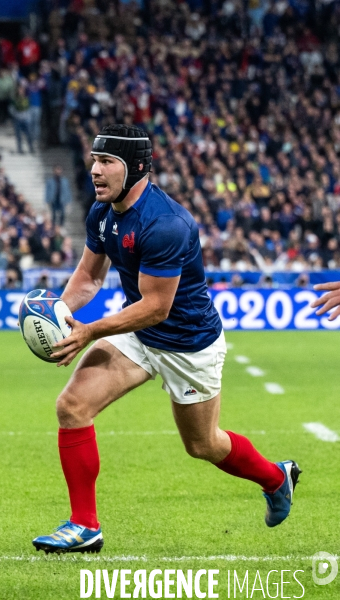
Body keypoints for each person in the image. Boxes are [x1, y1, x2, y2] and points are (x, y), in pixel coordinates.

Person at [32, 125, 301, 555]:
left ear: (135, 168)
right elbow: (88, 276)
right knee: (72, 406)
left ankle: (275, 477)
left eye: (107, 163)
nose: (95, 171)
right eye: (94, 161)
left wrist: (90, 331)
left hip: (187, 342)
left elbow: (157, 306)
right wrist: (58, 316)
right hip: (138, 334)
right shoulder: (101, 213)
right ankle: (84, 526)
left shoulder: (166, 224)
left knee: (203, 445)